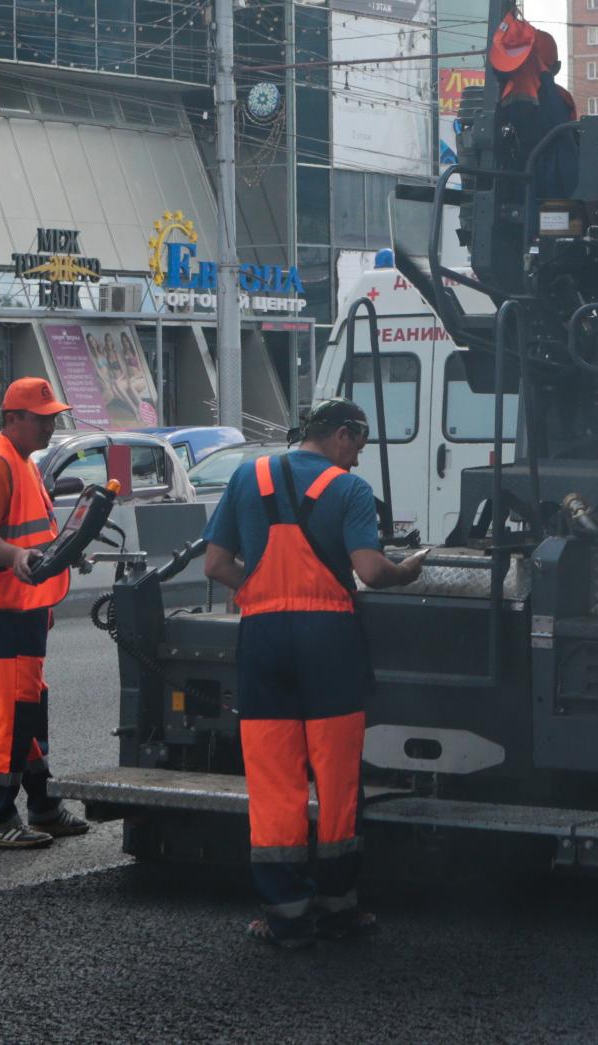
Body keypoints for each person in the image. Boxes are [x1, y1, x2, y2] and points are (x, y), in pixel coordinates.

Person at [201, 398, 430, 947]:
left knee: (274, 776)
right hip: (328, 640)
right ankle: (337, 907)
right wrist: (409, 569)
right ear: (344, 435)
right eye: (362, 442)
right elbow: (371, 571)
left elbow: (214, 564)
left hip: (262, 639)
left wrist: (257, 592)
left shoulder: (245, 475)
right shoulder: (348, 490)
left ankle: (286, 913)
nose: (359, 457)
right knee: (336, 777)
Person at [0, 377, 92, 849]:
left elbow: (34, 532)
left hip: (25, 603)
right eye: (42, 418)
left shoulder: (23, 459)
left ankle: (43, 804)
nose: (51, 426)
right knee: (10, 708)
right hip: (1, 605)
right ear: (12, 417)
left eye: (53, 417)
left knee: (29, 703)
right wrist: (15, 558)